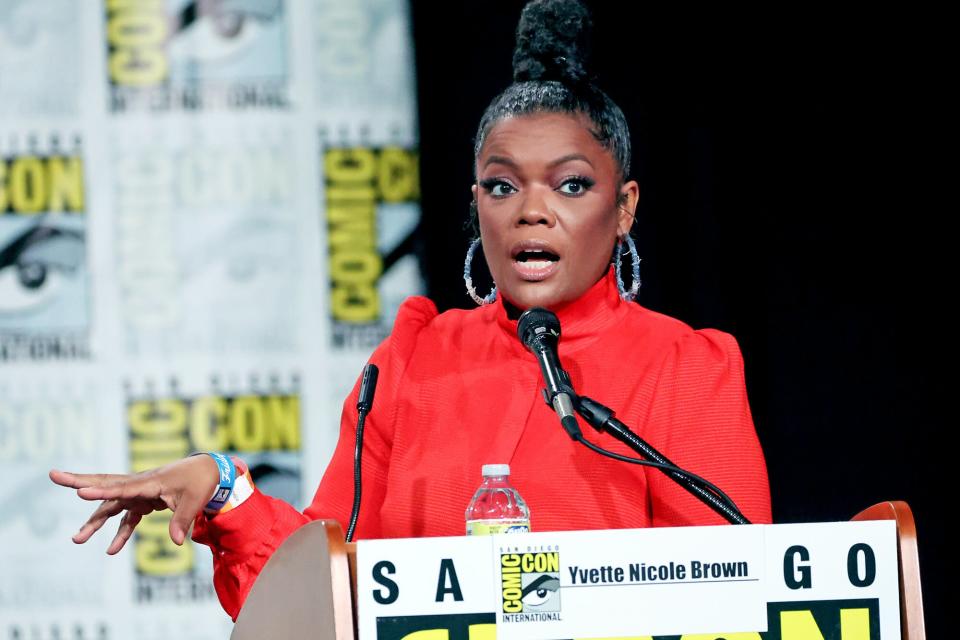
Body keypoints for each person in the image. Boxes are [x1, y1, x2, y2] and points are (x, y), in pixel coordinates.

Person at [50, 0, 771, 622]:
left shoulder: (686, 368)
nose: (532, 212)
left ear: (625, 209)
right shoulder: (410, 363)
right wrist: (224, 490)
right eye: (500, 187)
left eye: (571, 185)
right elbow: (325, 585)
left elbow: (734, 596)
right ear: (475, 205)